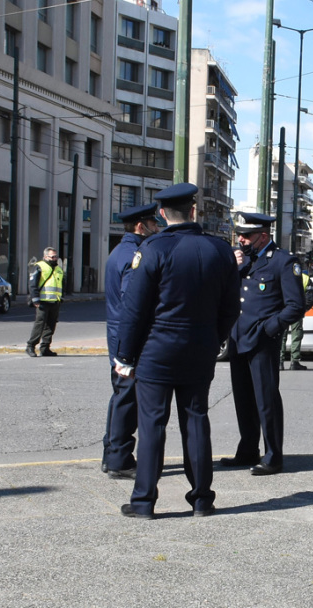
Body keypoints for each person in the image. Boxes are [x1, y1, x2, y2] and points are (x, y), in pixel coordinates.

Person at [115, 183, 240, 519]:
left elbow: (135, 309)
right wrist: (214, 338)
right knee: (197, 420)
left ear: (161, 213)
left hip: (158, 348)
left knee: (153, 423)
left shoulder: (153, 249)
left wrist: (125, 356)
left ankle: (144, 501)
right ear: (194, 211)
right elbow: (231, 308)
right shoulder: (220, 250)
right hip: (200, 346)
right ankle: (202, 499)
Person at [222, 212, 305, 475]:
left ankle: (273, 455)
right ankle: (247, 449)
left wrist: (269, 329)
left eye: (246, 236)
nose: (241, 240)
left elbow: (296, 306)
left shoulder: (282, 261)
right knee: (243, 399)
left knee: (265, 399)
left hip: (262, 341)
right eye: (239, 235)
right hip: (237, 338)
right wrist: (231, 268)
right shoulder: (240, 261)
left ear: (263, 236)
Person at [101, 203, 160, 479]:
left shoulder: (119, 251)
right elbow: (132, 302)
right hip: (128, 333)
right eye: (153, 223)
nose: (157, 228)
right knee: (127, 396)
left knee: (120, 394)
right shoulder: (136, 255)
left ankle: (111, 453)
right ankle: (121, 460)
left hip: (118, 331)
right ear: (141, 226)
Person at [26, 247, 64, 357]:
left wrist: (61, 297)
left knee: (51, 325)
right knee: (40, 324)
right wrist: (35, 299)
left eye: (56, 256)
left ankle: (45, 348)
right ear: (45, 257)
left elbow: (60, 284)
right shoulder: (39, 266)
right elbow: (32, 284)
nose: (54, 258)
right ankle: (30, 346)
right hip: (42, 301)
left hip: (55, 301)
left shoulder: (58, 269)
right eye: (52, 257)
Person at [280, 272, 311, 371]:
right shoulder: (304, 277)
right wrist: (303, 309)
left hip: (282, 310)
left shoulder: (280, 272)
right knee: (296, 335)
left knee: (281, 336)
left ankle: (279, 362)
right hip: (296, 310)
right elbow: (310, 297)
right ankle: (295, 362)